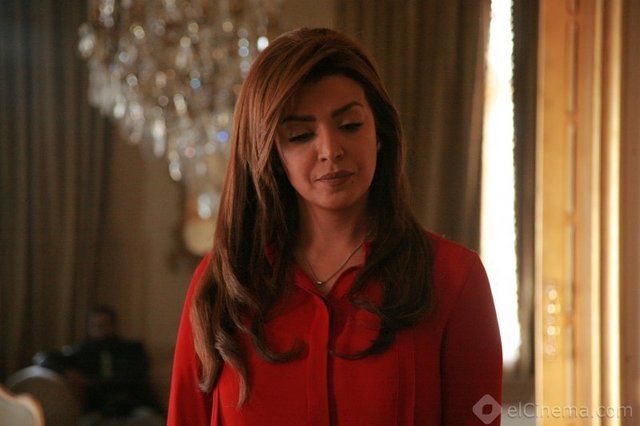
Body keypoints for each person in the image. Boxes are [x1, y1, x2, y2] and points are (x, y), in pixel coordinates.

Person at [168, 27, 502, 425]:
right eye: (300, 134)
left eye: (350, 125)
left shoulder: (453, 278)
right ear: (272, 155)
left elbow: (481, 417)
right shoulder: (223, 283)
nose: (330, 150)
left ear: (380, 134)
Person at [63, 305, 163, 425]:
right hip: (100, 408)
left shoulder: (132, 349)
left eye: (103, 324)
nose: (99, 329)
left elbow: (132, 377)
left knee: (153, 420)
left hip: (134, 405)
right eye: (95, 325)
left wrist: (91, 381)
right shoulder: (81, 351)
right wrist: (70, 372)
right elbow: (49, 359)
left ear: (113, 326)